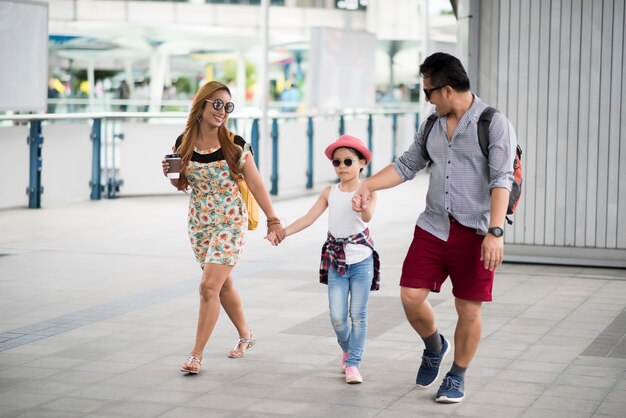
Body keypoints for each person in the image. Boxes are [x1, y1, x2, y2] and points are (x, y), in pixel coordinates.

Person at [352, 52, 516, 403]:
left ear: (447, 89)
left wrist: (495, 232)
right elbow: (408, 163)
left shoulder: (493, 123)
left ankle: (457, 374)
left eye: (428, 92)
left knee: (468, 308)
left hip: (475, 231)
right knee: (410, 296)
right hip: (433, 225)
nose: (425, 98)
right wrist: (367, 186)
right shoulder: (431, 124)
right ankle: (434, 344)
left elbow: (502, 179)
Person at [161, 80, 286, 374]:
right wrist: (169, 174)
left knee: (208, 286)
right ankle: (246, 334)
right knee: (222, 283)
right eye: (217, 104)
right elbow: (182, 185)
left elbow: (255, 183)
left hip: (230, 222)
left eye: (227, 106)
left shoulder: (235, 144)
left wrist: (273, 219)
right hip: (199, 223)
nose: (222, 111)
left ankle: (196, 355)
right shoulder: (183, 143)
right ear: (202, 104)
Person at [267, 135, 381, 384]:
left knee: (358, 315)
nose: (341, 166)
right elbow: (308, 218)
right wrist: (282, 233)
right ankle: (348, 349)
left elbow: (369, 216)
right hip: (335, 261)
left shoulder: (368, 190)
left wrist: (362, 206)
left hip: (362, 261)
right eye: (336, 162)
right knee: (338, 317)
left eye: (348, 161)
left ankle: (353, 364)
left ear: (361, 163)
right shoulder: (330, 192)